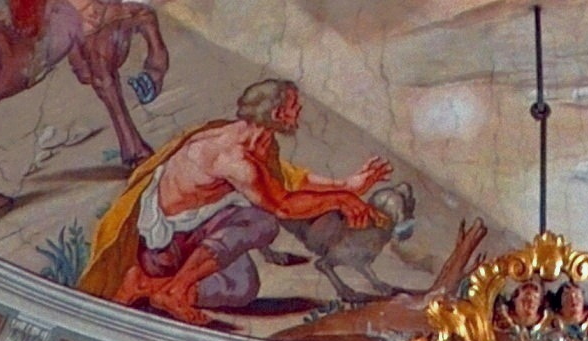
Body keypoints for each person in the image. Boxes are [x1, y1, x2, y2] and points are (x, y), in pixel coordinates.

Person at [80, 78, 397, 326]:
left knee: (243, 286)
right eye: (294, 107)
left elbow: (290, 179)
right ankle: (176, 288)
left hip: (195, 235)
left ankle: (146, 285)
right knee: (261, 221)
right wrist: (340, 200)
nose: (298, 113)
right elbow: (282, 205)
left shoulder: (259, 142)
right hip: (163, 246)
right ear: (276, 114)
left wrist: (346, 186)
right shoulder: (232, 155)